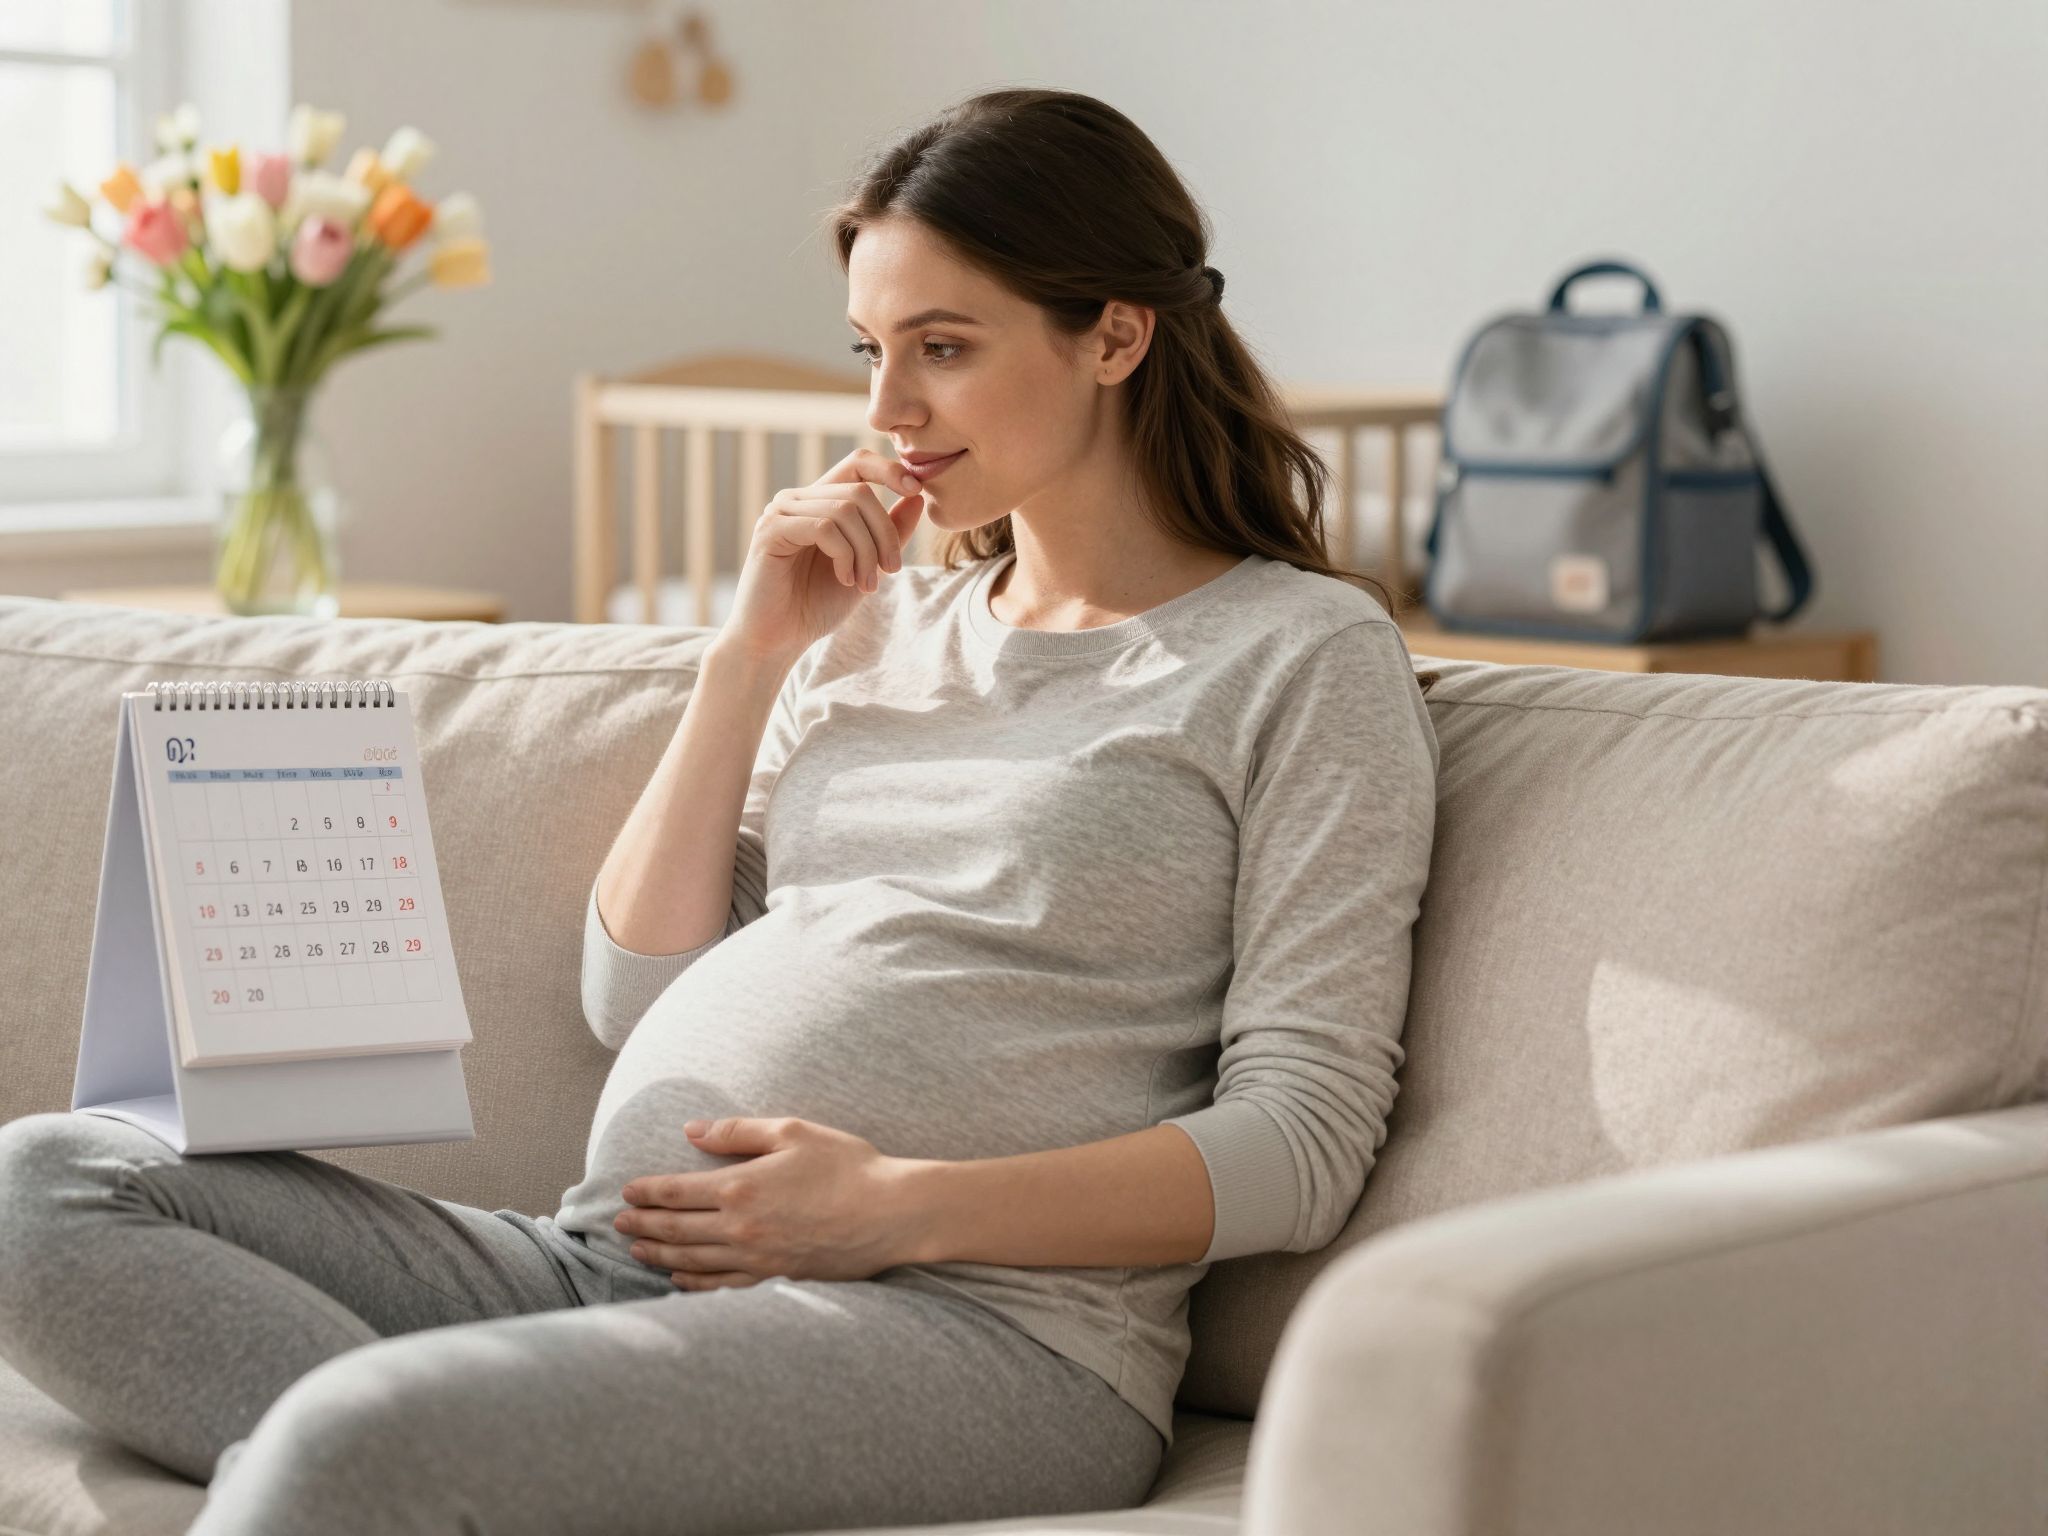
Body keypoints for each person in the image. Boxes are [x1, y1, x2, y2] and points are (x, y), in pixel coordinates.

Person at [0, 86, 1440, 1535]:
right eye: (873, 352)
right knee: (42, 1187)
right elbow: (635, 992)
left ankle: (384, 1473)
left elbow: (1303, 1140)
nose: (887, 412)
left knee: (354, 1442)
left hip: (983, 1332)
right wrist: (751, 659)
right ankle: (415, 1482)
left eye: (944, 349)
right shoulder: (879, 632)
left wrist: (899, 1204)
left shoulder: (1298, 656)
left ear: (1116, 334)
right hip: (602, 1270)